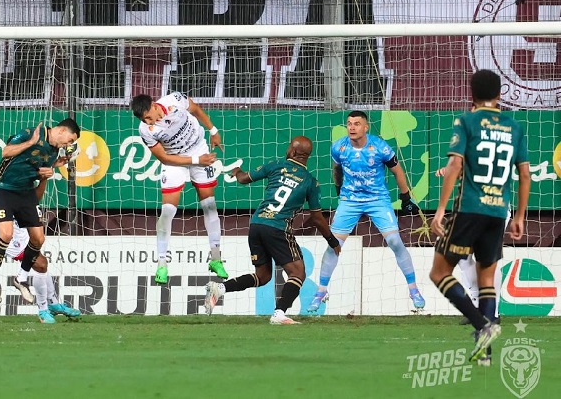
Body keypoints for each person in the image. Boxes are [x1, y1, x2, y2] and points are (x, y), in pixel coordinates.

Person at [430, 69, 530, 365]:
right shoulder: (514, 127)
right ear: (500, 95)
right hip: (498, 211)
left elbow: (455, 165)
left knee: (439, 273)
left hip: (470, 208)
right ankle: (485, 353)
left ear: (471, 95)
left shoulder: (467, 121)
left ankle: (482, 325)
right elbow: (525, 174)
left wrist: (441, 209)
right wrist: (519, 216)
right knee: (487, 278)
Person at [204, 136, 341, 324]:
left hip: (256, 225)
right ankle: (279, 314)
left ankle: (220, 289)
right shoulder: (311, 182)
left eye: (289, 146)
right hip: (278, 228)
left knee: (263, 276)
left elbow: (243, 179)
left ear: (293, 151)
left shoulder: (276, 165)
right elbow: (317, 218)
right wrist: (332, 240)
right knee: (298, 273)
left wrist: (237, 171)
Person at [307, 110, 425, 313]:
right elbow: (337, 169)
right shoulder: (339, 147)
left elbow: (397, 171)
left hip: (378, 199)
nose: (352, 127)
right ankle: (321, 291)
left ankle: (413, 289)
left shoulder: (380, 147)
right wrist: (339, 190)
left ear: (366, 127)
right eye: (349, 123)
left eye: (357, 124)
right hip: (350, 200)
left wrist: (405, 197)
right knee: (334, 245)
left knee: (395, 241)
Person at [130, 92, 227, 285]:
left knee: (209, 206)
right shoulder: (146, 130)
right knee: (167, 211)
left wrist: (213, 130)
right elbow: (164, 158)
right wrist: (197, 161)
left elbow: (196, 109)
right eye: (144, 120)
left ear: (154, 104)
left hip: (198, 148)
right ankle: (162, 264)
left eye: (149, 116)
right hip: (175, 160)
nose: (149, 121)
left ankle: (216, 258)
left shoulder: (174, 100)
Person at [0, 119, 81, 306]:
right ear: (62, 130)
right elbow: (5, 152)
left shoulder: (53, 152)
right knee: (6, 234)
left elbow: (35, 174)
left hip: (25, 191)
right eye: (70, 140)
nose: (68, 144)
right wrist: (30, 142)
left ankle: (21, 278)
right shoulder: (31, 133)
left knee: (38, 239)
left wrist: (50, 169)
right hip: (4, 187)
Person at [0, 173, 81, 324]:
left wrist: (43, 179)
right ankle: (43, 310)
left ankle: (53, 303)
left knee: (42, 263)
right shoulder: (13, 174)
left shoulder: (29, 174)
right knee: (40, 264)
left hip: (19, 225)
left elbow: (33, 198)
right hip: (3, 227)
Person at [435, 166, 509, 326]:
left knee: (487, 261)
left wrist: (453, 170)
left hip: (493, 207)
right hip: (473, 209)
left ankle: (493, 313)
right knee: (462, 257)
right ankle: (476, 307)